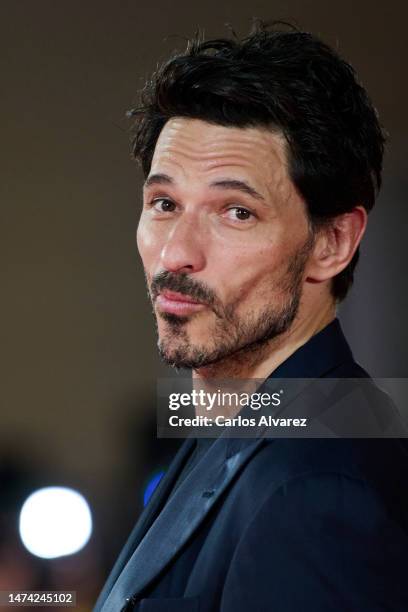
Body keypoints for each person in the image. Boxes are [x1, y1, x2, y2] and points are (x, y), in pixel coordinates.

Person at [94, 21, 408, 611]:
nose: (177, 253)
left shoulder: (320, 490)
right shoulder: (243, 421)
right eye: (164, 204)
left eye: (236, 212)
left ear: (333, 242)